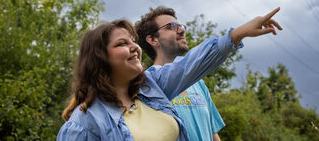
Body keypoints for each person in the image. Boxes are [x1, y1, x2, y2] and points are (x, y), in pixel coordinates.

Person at [57, 7, 282, 141]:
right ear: (100, 57)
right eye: (122, 43)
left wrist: (239, 33)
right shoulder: (84, 123)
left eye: (133, 42)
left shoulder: (152, 88)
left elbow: (193, 63)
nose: (134, 47)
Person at [134, 7, 223, 141]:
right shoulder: (146, 86)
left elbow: (212, 133)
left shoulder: (198, 83)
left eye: (180, 26)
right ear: (153, 40)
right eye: (171, 27)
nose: (181, 30)